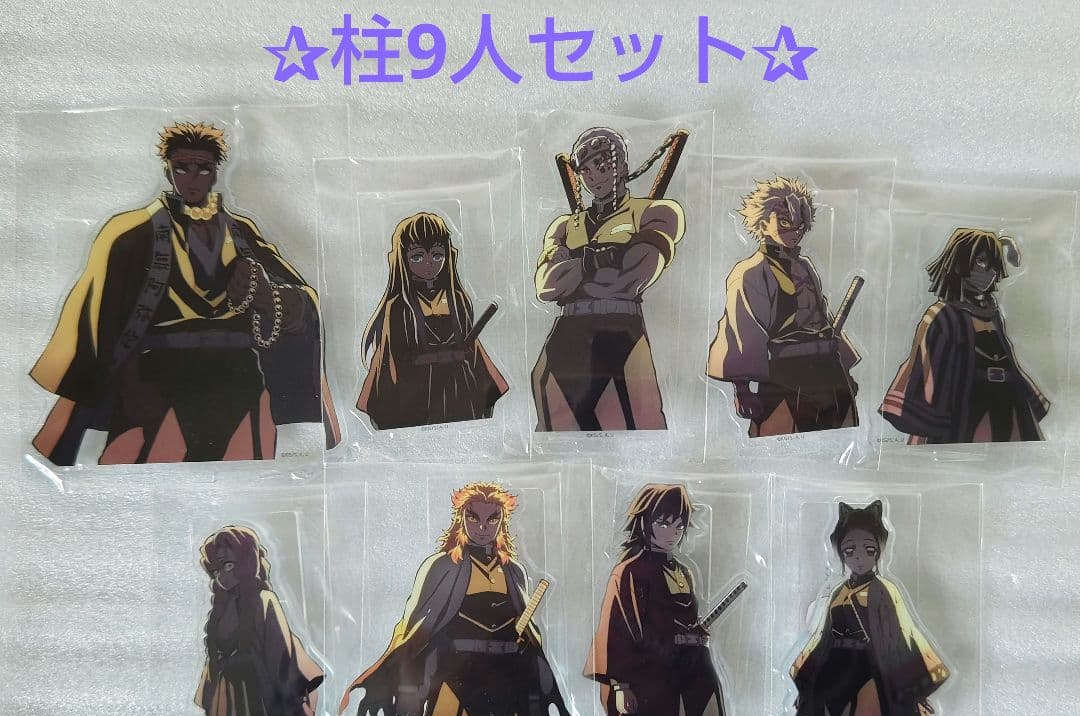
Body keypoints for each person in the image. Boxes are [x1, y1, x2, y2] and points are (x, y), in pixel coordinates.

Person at [30, 122, 339, 465]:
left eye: (203, 168)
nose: (193, 178)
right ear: (168, 171)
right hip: (157, 381)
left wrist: (267, 296)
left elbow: (304, 302)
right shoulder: (130, 233)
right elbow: (103, 325)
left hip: (238, 378)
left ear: (216, 172)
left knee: (242, 474)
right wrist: (131, 386)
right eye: (182, 167)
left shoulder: (240, 232)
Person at [339, 482, 576, 716]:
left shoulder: (513, 571)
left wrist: (533, 667)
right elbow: (416, 628)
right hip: (455, 676)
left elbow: (530, 635)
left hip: (507, 677)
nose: (482, 527)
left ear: (502, 522)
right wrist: (403, 679)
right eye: (473, 517)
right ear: (460, 518)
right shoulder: (444, 567)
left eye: (492, 518)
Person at [531, 127, 686, 431]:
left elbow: (630, 278)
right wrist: (599, 259)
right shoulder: (564, 226)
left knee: (636, 427)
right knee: (557, 430)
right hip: (567, 335)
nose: (594, 177)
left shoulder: (655, 213)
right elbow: (546, 286)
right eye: (586, 170)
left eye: (602, 165)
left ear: (623, 166)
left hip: (621, 332)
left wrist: (574, 265)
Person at [707, 176, 859, 436]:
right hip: (785, 375)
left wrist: (844, 371)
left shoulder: (805, 266)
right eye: (785, 222)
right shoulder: (750, 272)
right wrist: (742, 389)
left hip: (829, 372)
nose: (795, 231)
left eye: (800, 224)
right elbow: (743, 330)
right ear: (763, 222)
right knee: (781, 441)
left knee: (837, 439)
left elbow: (821, 317)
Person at [880, 227, 1049, 443]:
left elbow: (1008, 360)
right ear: (960, 263)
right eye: (981, 261)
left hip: (1007, 402)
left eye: (994, 265)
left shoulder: (992, 313)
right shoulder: (942, 315)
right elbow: (927, 368)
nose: (990, 272)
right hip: (963, 405)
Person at [585, 484, 728, 716]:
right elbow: (617, 630)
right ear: (645, 522)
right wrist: (621, 686)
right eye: (663, 524)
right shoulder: (630, 571)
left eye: (679, 526)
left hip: (694, 668)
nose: (672, 533)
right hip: (650, 675)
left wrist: (695, 634)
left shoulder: (683, 571)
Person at [790, 501, 949, 716]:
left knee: (869, 710)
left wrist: (915, 686)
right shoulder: (838, 592)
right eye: (849, 550)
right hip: (833, 667)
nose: (859, 557)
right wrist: (806, 682)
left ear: (878, 552)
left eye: (869, 550)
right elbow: (823, 637)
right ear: (841, 553)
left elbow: (903, 633)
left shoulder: (883, 590)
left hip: (869, 668)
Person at [357, 212, 508, 429]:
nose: (429, 263)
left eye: (437, 255)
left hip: (459, 386)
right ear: (403, 258)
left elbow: (474, 352)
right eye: (417, 257)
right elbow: (391, 358)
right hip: (416, 391)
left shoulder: (458, 300)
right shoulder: (399, 306)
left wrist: (486, 391)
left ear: (448, 255)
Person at [195, 526, 324, 716]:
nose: (222, 576)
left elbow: (280, 652)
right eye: (216, 570)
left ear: (246, 561)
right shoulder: (221, 607)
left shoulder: (263, 599)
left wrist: (294, 704)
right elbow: (213, 658)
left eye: (228, 565)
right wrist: (210, 697)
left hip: (258, 697)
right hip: (227, 701)